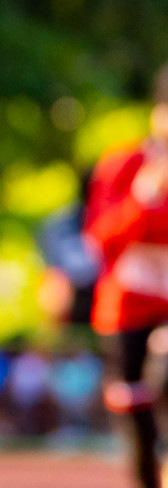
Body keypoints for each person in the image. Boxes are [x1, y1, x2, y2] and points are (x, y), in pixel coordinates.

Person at [83, 65, 168, 488]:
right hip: (126, 313)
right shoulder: (123, 165)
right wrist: (144, 197)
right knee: (137, 424)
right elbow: (99, 239)